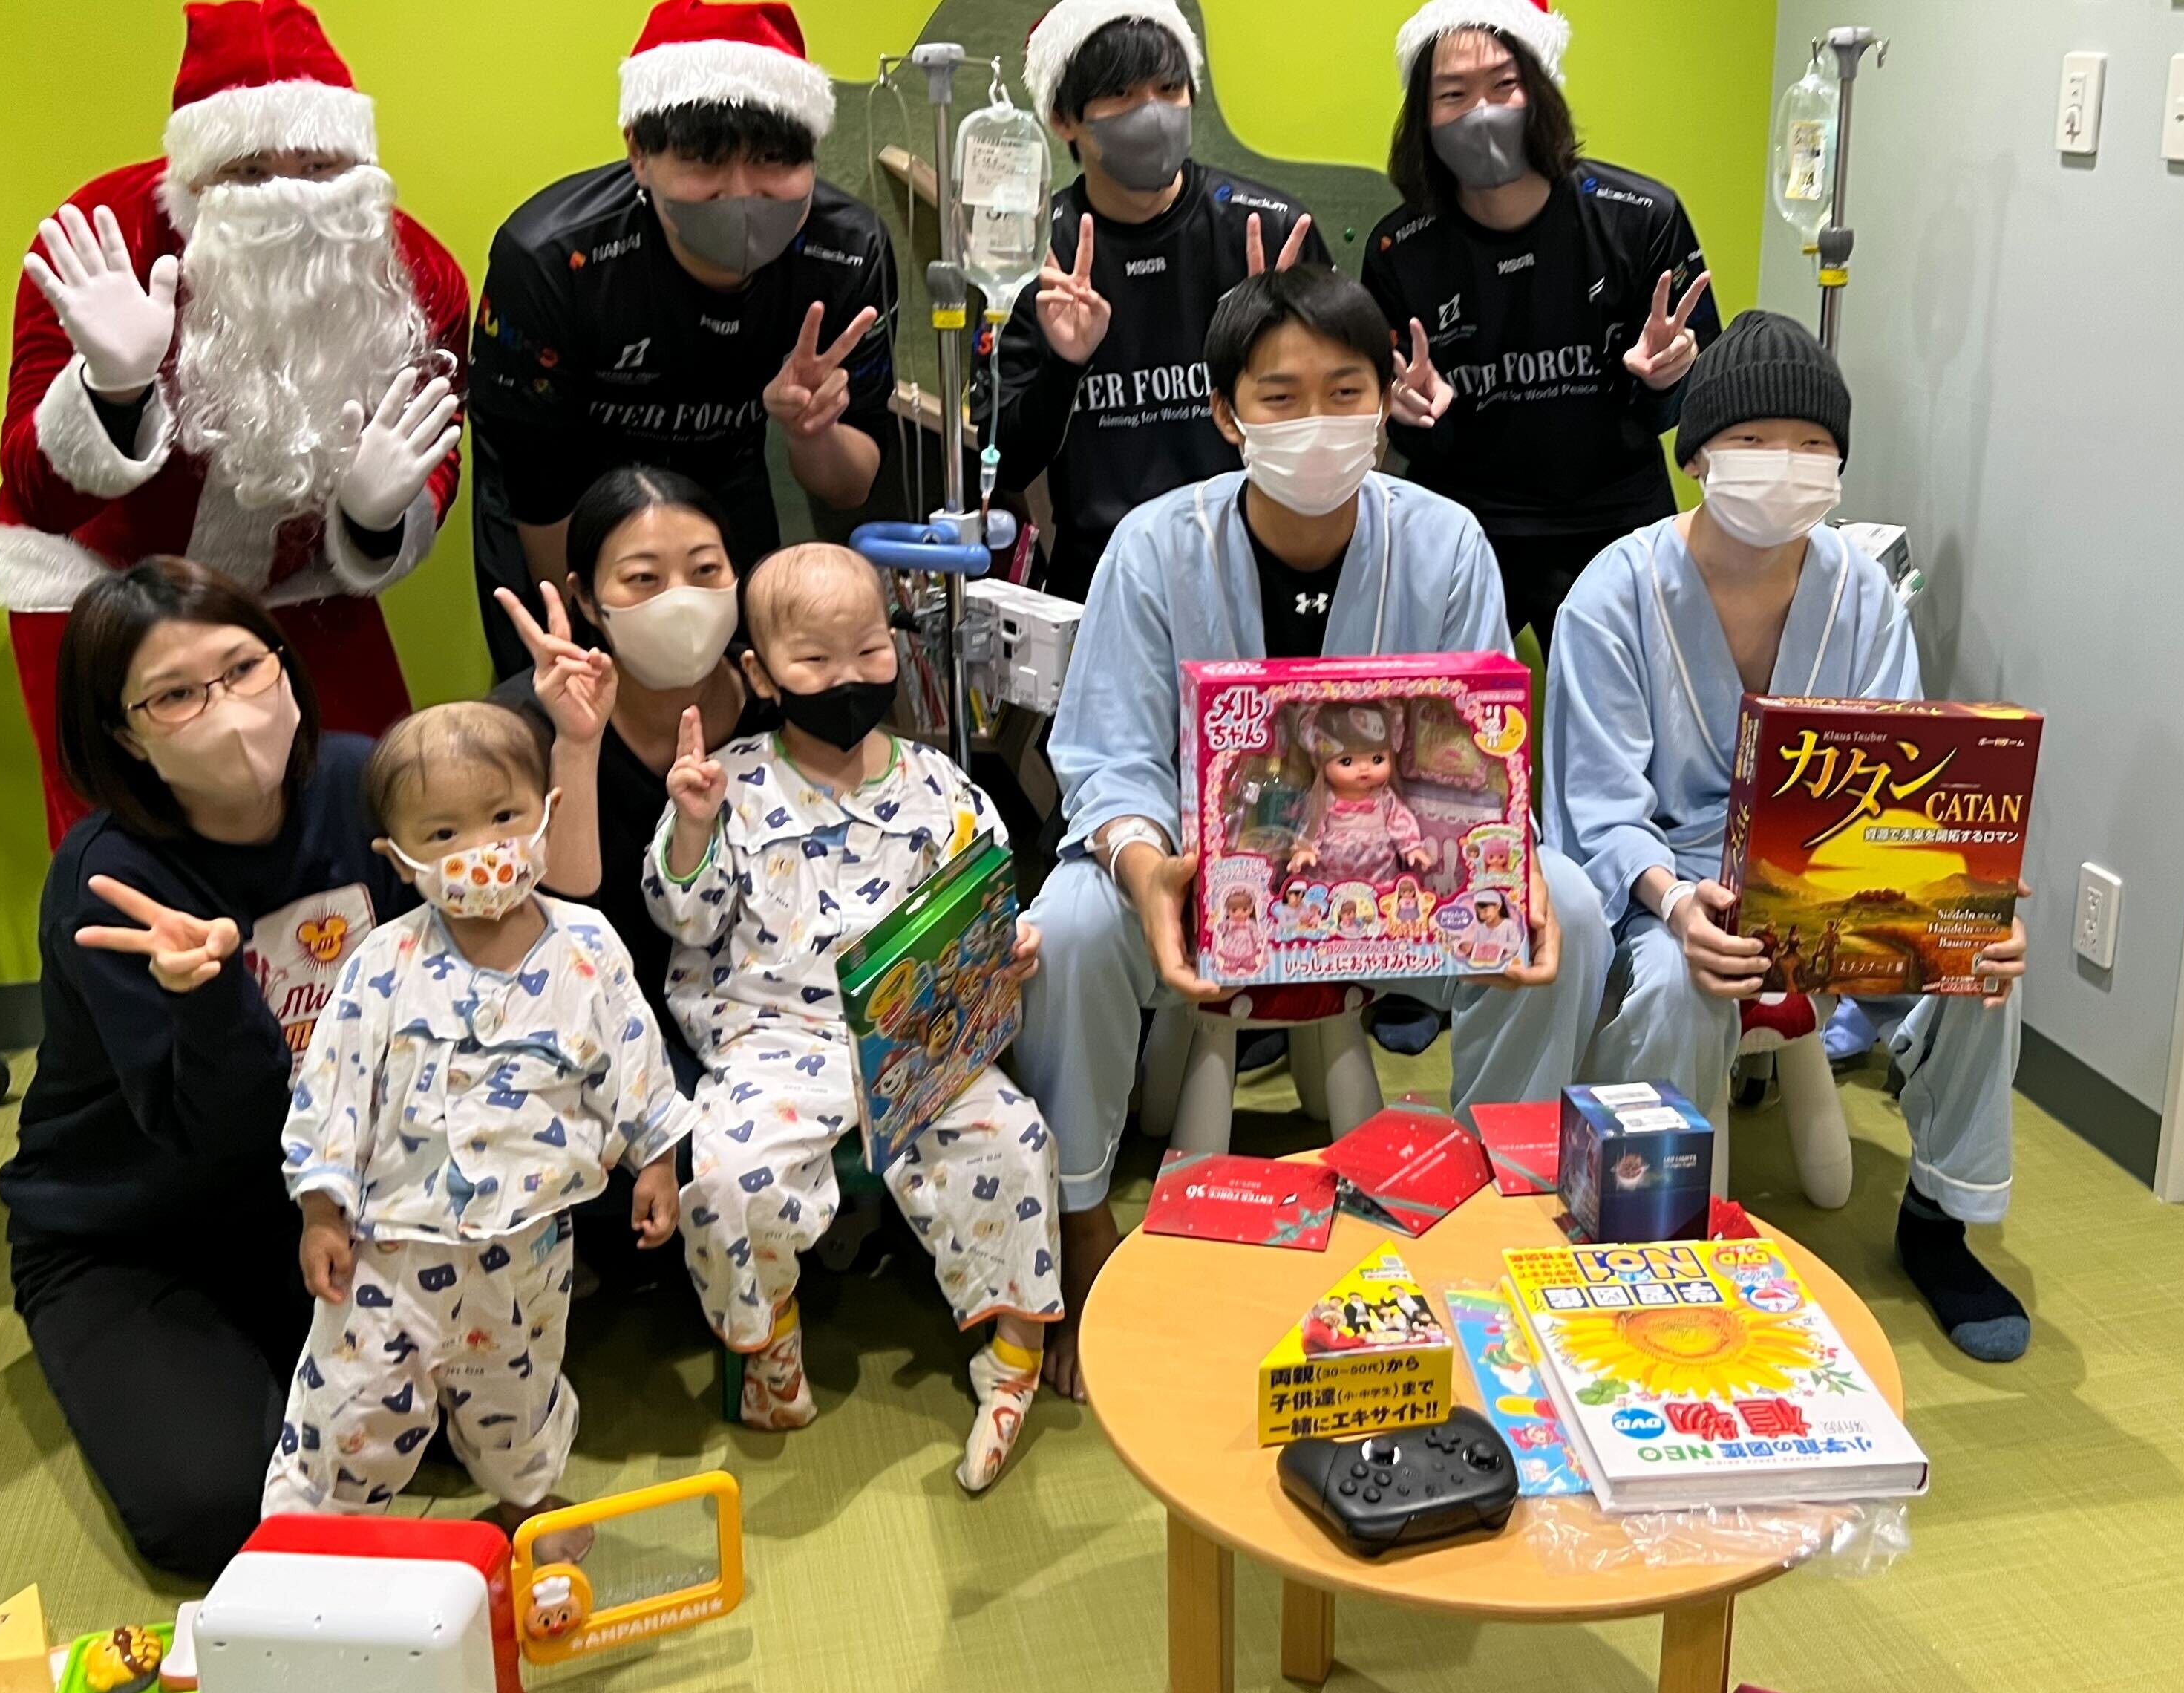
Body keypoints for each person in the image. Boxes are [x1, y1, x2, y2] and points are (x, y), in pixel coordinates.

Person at [1017, 262, 1617, 1397]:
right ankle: (1081, 1224)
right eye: (1281, 397)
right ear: (1225, 413)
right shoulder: (1154, 547)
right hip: (1210, 879)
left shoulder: (1444, 543)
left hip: (1399, 883)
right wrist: (1148, 869)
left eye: (1346, 393)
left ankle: (1494, 1196)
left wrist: (1506, 862)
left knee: (1573, 908)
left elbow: (1479, 750)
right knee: (1073, 926)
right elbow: (1108, 755)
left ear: (1386, 401)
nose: (1318, 423)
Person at [1542, 313, 2033, 1363]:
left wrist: (1963, 889)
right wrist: (1681, 903)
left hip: (1830, 882)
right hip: (1666, 888)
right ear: (1699, 455)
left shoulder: (1862, 596)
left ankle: (1939, 1221)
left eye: (1814, 445)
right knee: (1679, 981)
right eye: (1757, 439)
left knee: (1988, 961)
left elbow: (1903, 773)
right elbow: (1598, 805)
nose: (1787, 464)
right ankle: (1648, 1235)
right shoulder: (1614, 594)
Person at [0, 559, 416, 1576]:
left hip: (328, 1204)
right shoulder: (111, 884)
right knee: (220, 1509)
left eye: (242, 667)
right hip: (138, 1232)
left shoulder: (361, 785)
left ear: (283, 662)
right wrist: (207, 999)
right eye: (175, 695)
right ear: (124, 735)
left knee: (479, 1397)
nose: (227, 708)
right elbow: (218, 1140)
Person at [0, 0, 469, 843]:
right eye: (249, 173)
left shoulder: (419, 272)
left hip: (303, 580)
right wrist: (112, 390)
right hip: (105, 580)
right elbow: (35, 493)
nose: (289, 197)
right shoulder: (103, 241)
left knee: (371, 816)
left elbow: (429, 451)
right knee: (137, 846)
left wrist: (376, 518)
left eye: (319, 168)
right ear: (194, 178)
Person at [647, 543, 1055, 1492]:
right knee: (729, 1173)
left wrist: (1011, 941)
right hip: (773, 1039)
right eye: (814, 661)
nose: (847, 678)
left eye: (869, 652)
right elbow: (686, 918)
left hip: (918, 1034)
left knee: (1015, 1139)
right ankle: (771, 1343)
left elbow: (988, 892)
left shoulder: (936, 783)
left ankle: (1014, 1358)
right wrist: (694, 827)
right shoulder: (730, 784)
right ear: (761, 674)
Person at [264, 702, 693, 1534]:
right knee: (353, 1406)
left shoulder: (587, 947)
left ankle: (527, 1501)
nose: (482, 848)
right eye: (444, 833)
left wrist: (658, 1161)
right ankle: (313, 1540)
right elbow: (332, 1090)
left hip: (528, 1248)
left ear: (547, 814)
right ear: (398, 857)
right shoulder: (383, 964)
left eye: (504, 817)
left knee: (519, 1393)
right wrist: (320, 1210)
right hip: (392, 1251)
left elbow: (634, 1056)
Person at [472, 0, 895, 669]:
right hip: (562, 502)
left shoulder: (846, 254)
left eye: (773, 159)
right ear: (638, 153)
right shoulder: (552, 260)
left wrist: (811, 432)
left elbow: (850, 486)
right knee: (577, 698)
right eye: (704, 160)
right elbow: (539, 490)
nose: (742, 192)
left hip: (723, 484)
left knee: (739, 691)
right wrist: (595, 642)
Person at [1363, 0, 1717, 656]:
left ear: (1542, 90)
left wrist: (1665, 379)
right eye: (1453, 95)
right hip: (1465, 525)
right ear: (1422, 117)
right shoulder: (1398, 249)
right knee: (1439, 714)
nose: (1481, 112)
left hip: (1613, 520)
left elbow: (1692, 409)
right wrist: (1413, 414)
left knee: (1632, 709)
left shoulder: (1641, 218)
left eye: (1504, 85)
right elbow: (1394, 425)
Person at [992, 0, 1315, 600]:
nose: (1152, 112)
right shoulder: (1034, 259)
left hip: (1261, 567)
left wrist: (1276, 352)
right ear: (1063, 119)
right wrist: (1064, 368)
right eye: (1121, 94)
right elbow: (1004, 462)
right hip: (1102, 579)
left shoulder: (1270, 232)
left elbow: (1340, 432)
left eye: (1169, 89)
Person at [488, 463, 771, 1086]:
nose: (681, 599)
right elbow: (543, 935)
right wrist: (577, 745)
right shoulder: (522, 729)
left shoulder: (779, 693)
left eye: (706, 571)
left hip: (764, 1026)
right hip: (597, 1036)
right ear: (587, 598)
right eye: (644, 578)